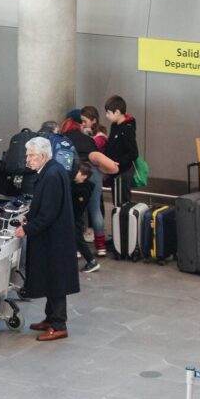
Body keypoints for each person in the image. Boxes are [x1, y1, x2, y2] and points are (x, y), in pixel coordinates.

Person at [14, 137, 79, 341]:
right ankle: (51, 318)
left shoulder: (51, 175)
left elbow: (49, 212)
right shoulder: (51, 170)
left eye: (31, 155)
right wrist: (30, 216)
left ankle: (59, 323)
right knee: (53, 279)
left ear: (42, 156)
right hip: (55, 237)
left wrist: (28, 229)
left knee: (56, 281)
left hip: (54, 239)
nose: (28, 159)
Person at [81, 106, 108, 256]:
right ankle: (100, 245)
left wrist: (85, 137)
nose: (83, 124)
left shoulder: (99, 138)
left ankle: (93, 244)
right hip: (96, 174)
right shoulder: (99, 136)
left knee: (90, 208)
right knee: (94, 208)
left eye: (85, 121)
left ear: (94, 120)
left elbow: (92, 152)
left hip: (90, 172)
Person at [103, 95, 139, 206]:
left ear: (117, 112)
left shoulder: (127, 129)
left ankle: (123, 223)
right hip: (114, 170)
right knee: (116, 202)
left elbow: (133, 153)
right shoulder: (115, 126)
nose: (106, 115)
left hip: (123, 172)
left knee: (122, 204)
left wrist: (118, 162)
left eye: (108, 112)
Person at [72, 163, 99, 273]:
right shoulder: (77, 185)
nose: (74, 173)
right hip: (75, 218)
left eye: (77, 172)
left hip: (75, 218)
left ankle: (91, 261)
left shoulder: (82, 190)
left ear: (84, 176)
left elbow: (77, 208)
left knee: (78, 239)